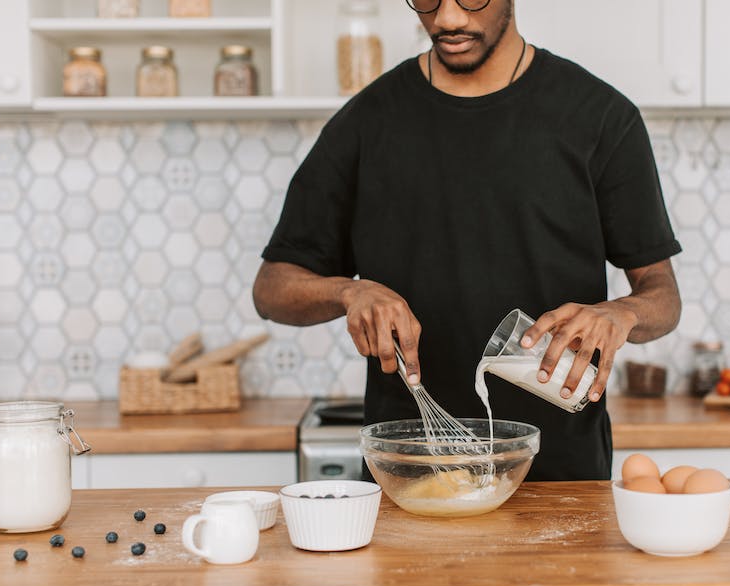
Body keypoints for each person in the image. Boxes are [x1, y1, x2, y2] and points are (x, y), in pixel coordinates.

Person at [253, 0, 682, 481]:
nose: (448, 19)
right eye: (428, 0)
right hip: (412, 474)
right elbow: (272, 288)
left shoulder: (601, 118)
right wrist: (349, 292)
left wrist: (621, 314)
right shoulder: (367, 121)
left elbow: (662, 295)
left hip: (562, 478)